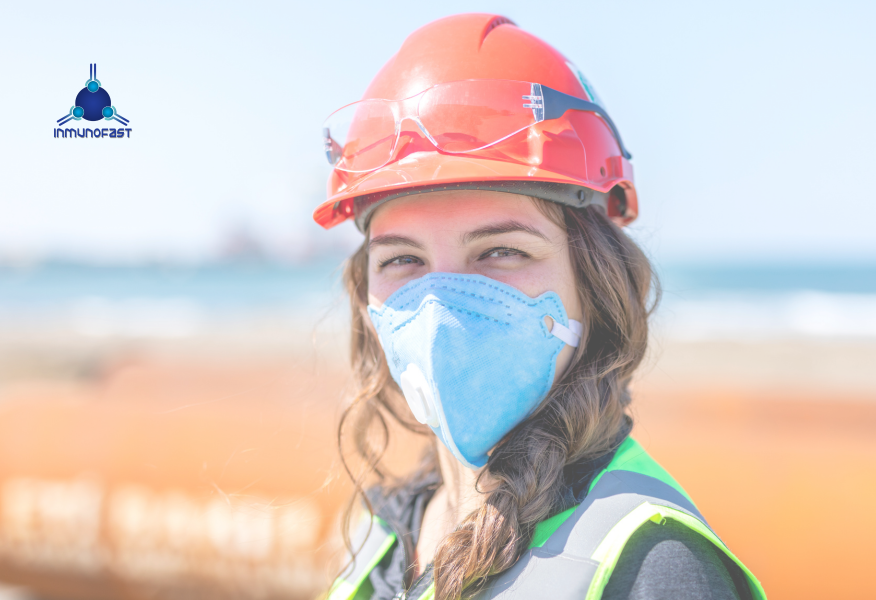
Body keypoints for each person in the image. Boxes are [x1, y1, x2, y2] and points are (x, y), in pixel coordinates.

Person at [314, 13, 766, 600]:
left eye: (501, 250)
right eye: (402, 260)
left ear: (597, 280)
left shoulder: (652, 564)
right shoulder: (382, 536)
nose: (439, 308)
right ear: (365, 294)